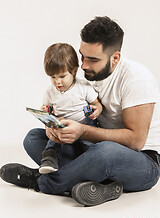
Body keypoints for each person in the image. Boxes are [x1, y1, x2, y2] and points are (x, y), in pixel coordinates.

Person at [1, 16, 160, 207]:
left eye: (92, 59)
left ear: (115, 58)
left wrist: (83, 131)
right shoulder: (90, 75)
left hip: (142, 163)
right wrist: (56, 127)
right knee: (34, 138)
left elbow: (136, 141)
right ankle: (101, 186)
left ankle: (42, 181)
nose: (83, 65)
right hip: (93, 148)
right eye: (82, 56)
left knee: (105, 152)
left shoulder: (136, 79)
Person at [38, 43, 102, 174]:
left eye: (62, 76)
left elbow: (97, 104)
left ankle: (92, 164)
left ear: (74, 71)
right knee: (51, 141)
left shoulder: (83, 87)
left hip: (84, 126)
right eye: (53, 77)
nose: (58, 82)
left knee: (91, 145)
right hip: (62, 130)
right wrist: (45, 115)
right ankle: (50, 160)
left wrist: (97, 110)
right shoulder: (50, 92)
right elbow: (47, 108)